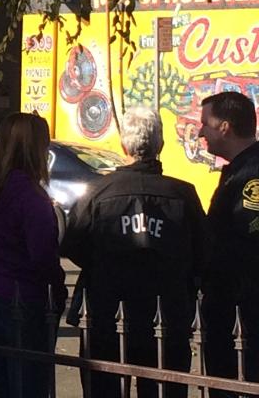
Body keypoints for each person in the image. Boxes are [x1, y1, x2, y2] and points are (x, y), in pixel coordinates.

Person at [62, 106, 207, 398]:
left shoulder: (97, 192)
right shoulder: (183, 194)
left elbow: (72, 243)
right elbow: (203, 252)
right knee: (164, 389)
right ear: (161, 145)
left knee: (104, 389)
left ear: (124, 145)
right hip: (165, 314)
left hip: (106, 311)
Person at [0, 112, 65, 398]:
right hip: (25, 297)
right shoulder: (31, 196)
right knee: (28, 383)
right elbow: (43, 254)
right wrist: (57, 286)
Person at [197, 91, 259, 396]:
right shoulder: (239, 170)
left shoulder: (251, 176)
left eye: (204, 124)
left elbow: (244, 244)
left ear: (224, 126)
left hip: (242, 312)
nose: (199, 132)